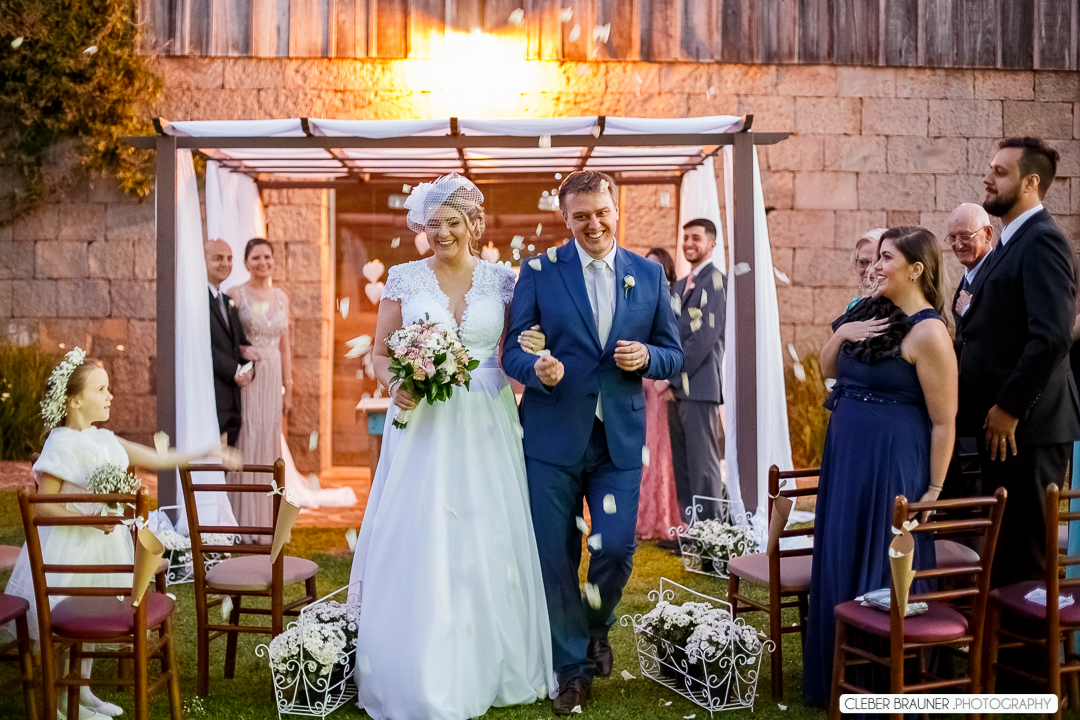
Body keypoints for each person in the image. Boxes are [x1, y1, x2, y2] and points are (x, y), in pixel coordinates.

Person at [347, 174, 552, 720]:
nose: (441, 232)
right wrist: (398, 384)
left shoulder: (504, 281)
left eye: (451, 222)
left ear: (472, 224)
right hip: (423, 418)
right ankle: (415, 660)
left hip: (486, 414)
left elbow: (519, 348)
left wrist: (542, 354)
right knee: (420, 526)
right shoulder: (405, 277)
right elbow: (383, 350)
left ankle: (490, 656)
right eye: (432, 223)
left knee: (486, 526)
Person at [502, 170, 683, 715]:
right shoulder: (539, 271)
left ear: (615, 209)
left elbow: (672, 351)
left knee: (617, 549)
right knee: (555, 558)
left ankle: (595, 626)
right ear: (566, 218)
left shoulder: (648, 275)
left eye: (601, 212)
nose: (593, 223)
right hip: (552, 437)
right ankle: (571, 671)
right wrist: (538, 369)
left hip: (619, 440)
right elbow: (512, 349)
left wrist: (647, 358)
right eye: (581, 215)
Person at [5, 349, 237, 720]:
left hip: (106, 547)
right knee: (68, 613)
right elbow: (42, 505)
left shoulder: (106, 440)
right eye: (101, 389)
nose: (110, 395)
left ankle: (82, 692)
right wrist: (90, 519)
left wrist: (208, 450)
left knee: (95, 611)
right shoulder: (61, 443)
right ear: (74, 400)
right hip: (69, 549)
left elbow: (158, 458)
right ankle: (64, 700)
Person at [802, 226, 956, 707]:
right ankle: (836, 674)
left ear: (916, 268)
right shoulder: (867, 312)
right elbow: (828, 370)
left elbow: (944, 422)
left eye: (886, 258)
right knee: (842, 552)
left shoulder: (928, 333)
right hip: (847, 458)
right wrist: (843, 332)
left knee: (882, 561)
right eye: (874, 257)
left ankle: (878, 684)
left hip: (893, 464)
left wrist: (933, 487)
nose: (875, 266)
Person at [958, 136, 1080, 587]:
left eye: (1000, 172)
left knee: (1025, 559)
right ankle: (1002, 656)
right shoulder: (1009, 242)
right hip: (1000, 433)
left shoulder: (1043, 241)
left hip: (1028, 431)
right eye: (990, 169)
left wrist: (1008, 408)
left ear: (1031, 183)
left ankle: (1032, 659)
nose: (988, 178)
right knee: (1003, 555)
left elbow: (1049, 337)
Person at [668, 219, 727, 522]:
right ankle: (691, 533)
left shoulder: (716, 282)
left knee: (703, 466)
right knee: (685, 465)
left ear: (712, 244)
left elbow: (704, 337)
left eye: (696, 238)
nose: (689, 243)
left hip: (700, 386)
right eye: (685, 238)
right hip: (677, 389)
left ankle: (711, 535)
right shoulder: (680, 284)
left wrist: (671, 377)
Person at [637, 247, 682, 540]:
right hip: (640, 381)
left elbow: (680, 343)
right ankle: (640, 516)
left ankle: (661, 514)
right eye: (647, 265)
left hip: (660, 383)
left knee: (659, 451)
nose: (652, 271)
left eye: (658, 267)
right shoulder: (639, 297)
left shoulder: (675, 300)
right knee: (641, 449)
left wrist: (669, 380)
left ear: (667, 270)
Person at [205, 238, 256, 447]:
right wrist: (234, 370)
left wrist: (249, 369)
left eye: (229, 258)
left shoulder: (227, 302)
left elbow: (242, 346)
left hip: (233, 400)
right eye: (218, 258)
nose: (225, 264)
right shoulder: (197, 298)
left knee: (225, 465)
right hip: (212, 395)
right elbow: (202, 346)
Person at [945, 203, 994, 326]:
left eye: (965, 236)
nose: (958, 245)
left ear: (987, 234)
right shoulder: (969, 275)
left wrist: (967, 309)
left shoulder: (999, 274)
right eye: (952, 237)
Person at [846, 228, 886, 310]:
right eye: (863, 262)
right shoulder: (855, 305)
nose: (869, 270)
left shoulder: (900, 306)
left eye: (877, 261)